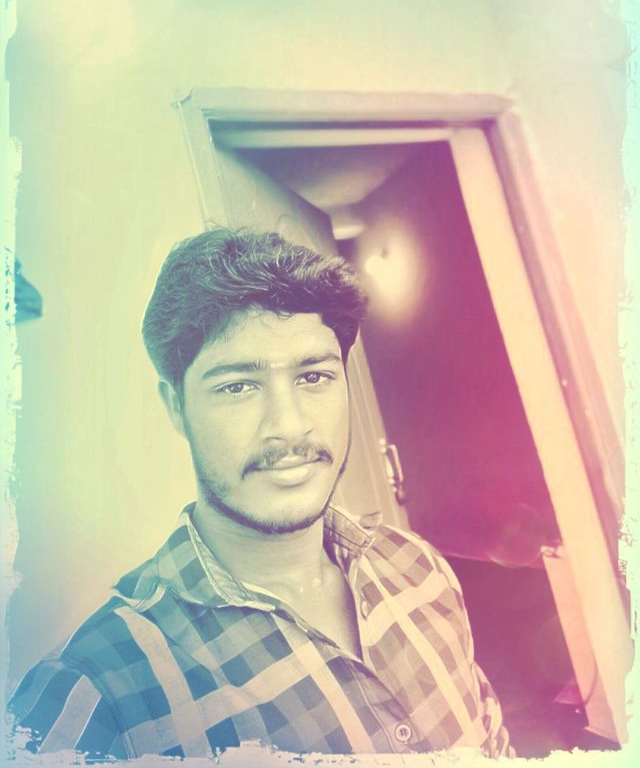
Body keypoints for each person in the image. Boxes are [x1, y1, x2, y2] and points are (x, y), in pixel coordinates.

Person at [8, 228, 512, 759]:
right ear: (176, 407)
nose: (288, 426)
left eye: (314, 376)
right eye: (237, 386)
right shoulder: (95, 694)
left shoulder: (419, 568)